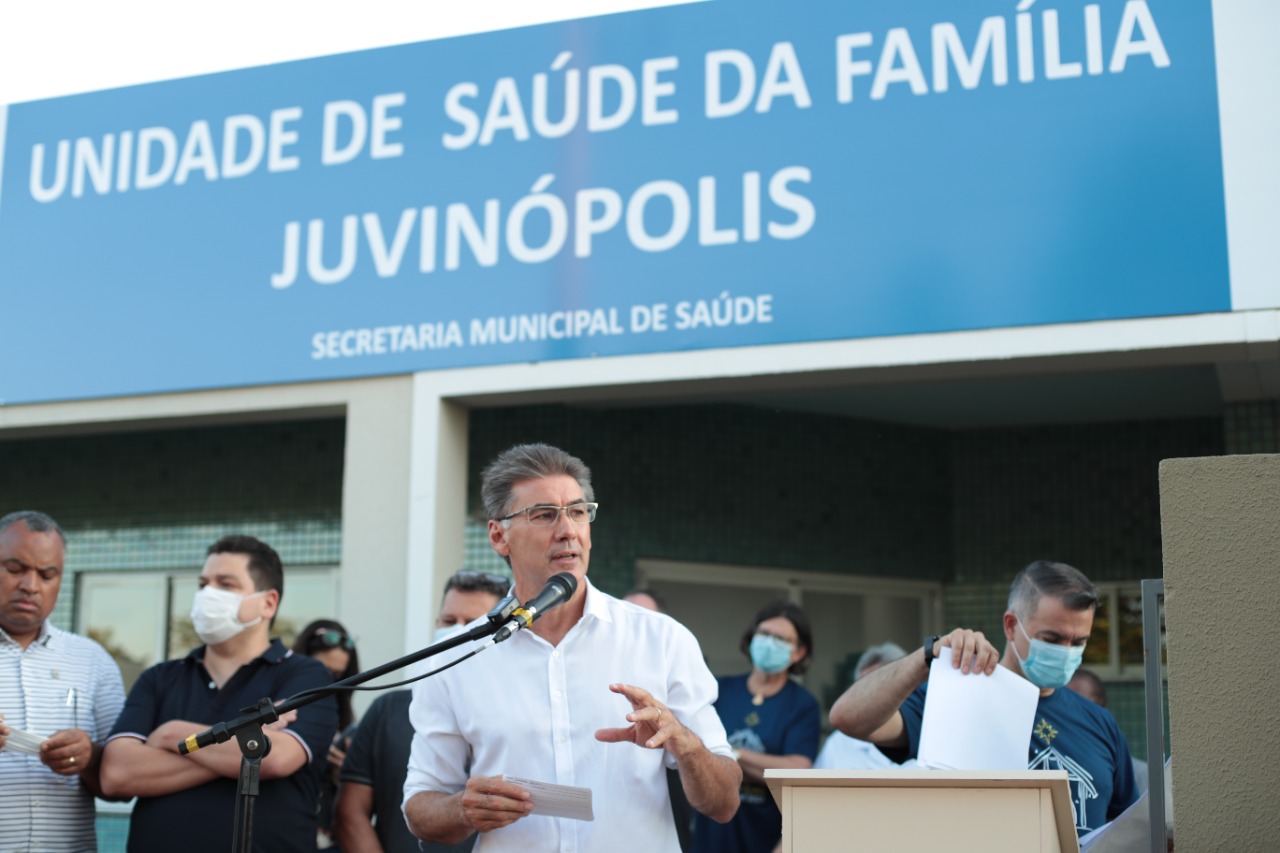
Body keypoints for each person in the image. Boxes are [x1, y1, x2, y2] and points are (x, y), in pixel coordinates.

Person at [402, 443, 740, 850]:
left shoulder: (663, 640)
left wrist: (686, 746)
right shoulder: (458, 657)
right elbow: (420, 807)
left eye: (578, 512)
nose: (568, 531)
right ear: (498, 536)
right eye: (544, 515)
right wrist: (462, 810)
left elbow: (724, 803)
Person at [829, 559, 1139, 837]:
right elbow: (848, 717)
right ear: (1011, 626)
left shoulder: (1100, 722)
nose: (1066, 651)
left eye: (1079, 642)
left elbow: (1130, 826)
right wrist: (926, 656)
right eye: (1052, 639)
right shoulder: (956, 697)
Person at [100, 534, 339, 853]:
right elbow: (116, 775)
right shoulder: (159, 678)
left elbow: (276, 759)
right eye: (203, 585)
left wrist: (171, 735)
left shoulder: (305, 675)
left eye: (226, 584)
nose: (207, 594)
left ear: (268, 603)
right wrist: (246, 741)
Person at [335, 570, 510, 853]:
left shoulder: (519, 714)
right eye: (449, 621)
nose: (458, 631)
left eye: (473, 623)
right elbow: (351, 812)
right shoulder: (387, 710)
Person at [0, 510, 127, 852]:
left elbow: (121, 783)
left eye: (47, 574)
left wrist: (90, 757)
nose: (30, 586)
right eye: (15, 569)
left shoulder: (92, 661)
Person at [692, 600, 821, 853]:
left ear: (799, 652)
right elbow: (693, 748)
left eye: (781, 639)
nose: (769, 643)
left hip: (765, 836)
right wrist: (759, 765)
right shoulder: (719, 690)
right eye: (764, 634)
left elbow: (797, 769)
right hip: (710, 835)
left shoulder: (802, 705)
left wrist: (731, 753)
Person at [621, 586, 695, 853]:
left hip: (662, 804)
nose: (636, 622)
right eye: (628, 614)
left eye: (644, 616)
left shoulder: (672, 664)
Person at [293, 619, 361, 850]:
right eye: (321, 671)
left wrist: (345, 774)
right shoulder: (279, 714)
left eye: (337, 675)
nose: (327, 682)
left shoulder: (343, 721)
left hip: (328, 838)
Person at [813, 641, 915, 770]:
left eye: (879, 684)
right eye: (864, 686)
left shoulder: (929, 734)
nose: (870, 695)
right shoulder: (838, 743)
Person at [1067, 667, 1150, 795]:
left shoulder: (1140, 775)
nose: (1070, 715)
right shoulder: (1048, 767)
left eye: (1081, 706)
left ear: (1102, 711)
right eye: (1063, 705)